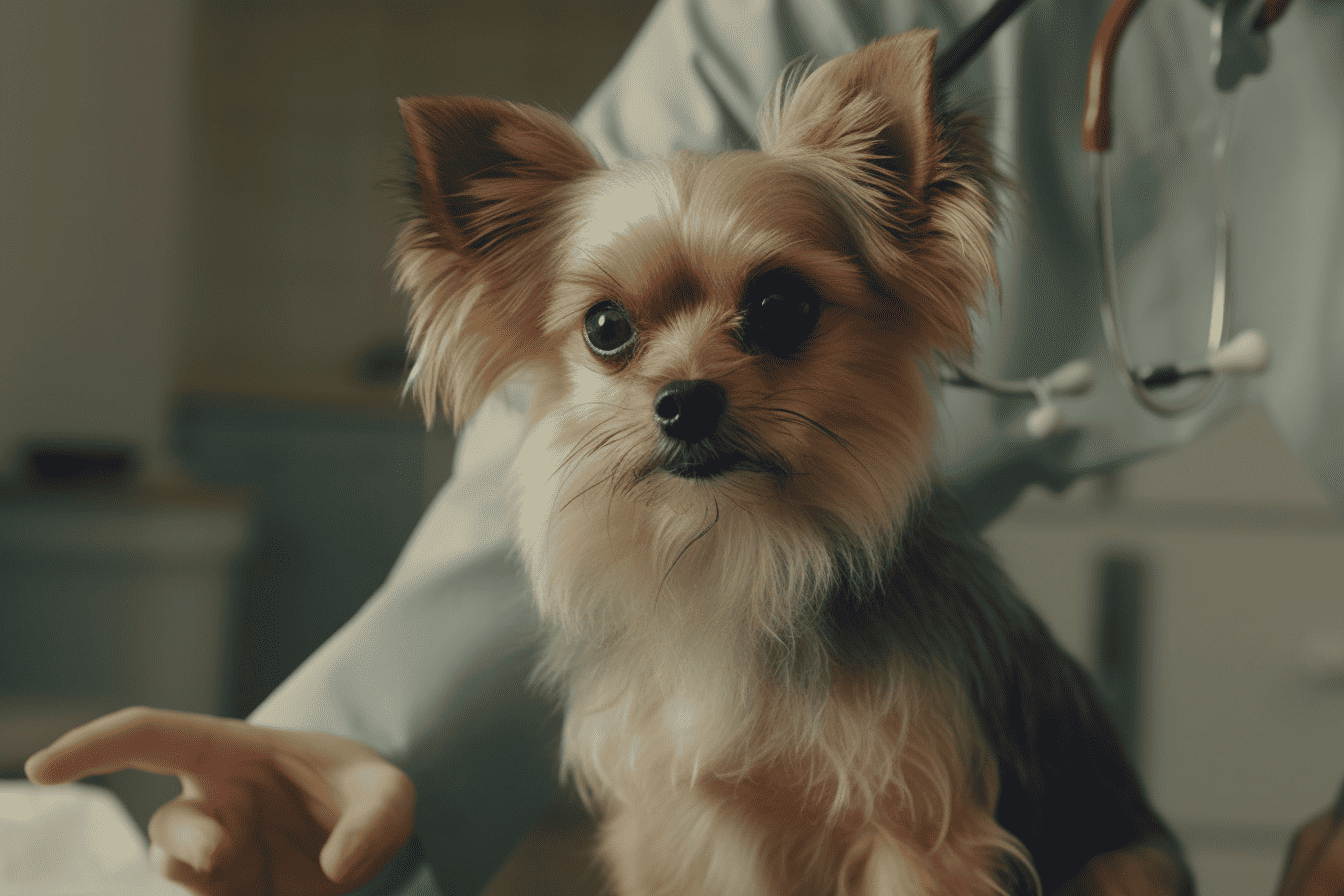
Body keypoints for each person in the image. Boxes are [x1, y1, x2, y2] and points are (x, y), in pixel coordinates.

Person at [24, 0, 1344, 893]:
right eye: (613, 333)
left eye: (771, 314)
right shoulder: (789, 21)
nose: (687, 381)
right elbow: (526, 499)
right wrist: (347, 747)